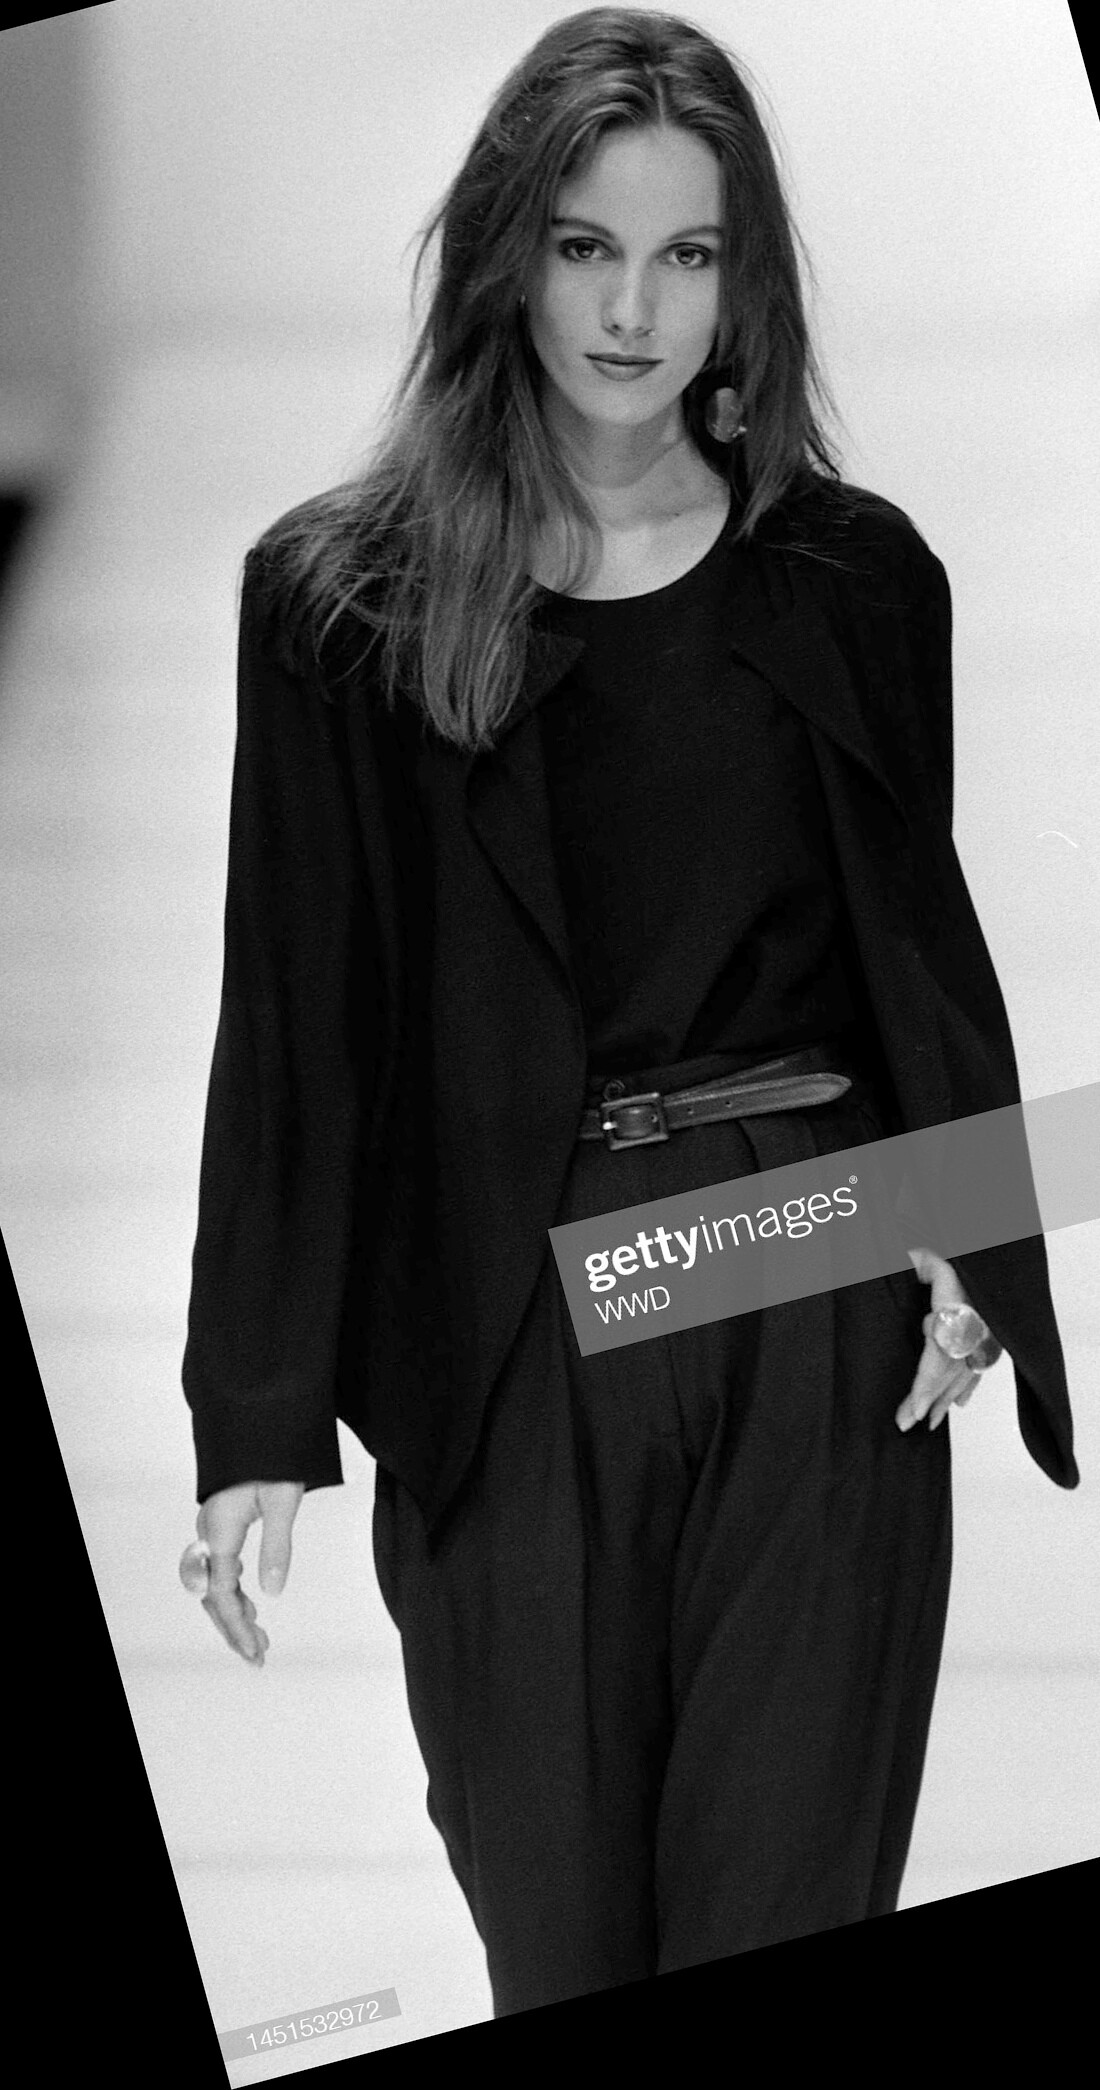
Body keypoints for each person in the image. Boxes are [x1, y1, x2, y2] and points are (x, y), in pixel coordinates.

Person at [179, 8, 1076, 2019]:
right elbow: (296, 1027)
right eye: (586, 245)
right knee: (564, 1943)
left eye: (686, 254)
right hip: (512, 1324)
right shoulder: (342, 605)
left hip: (805, 1266)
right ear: (507, 251)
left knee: (783, 1900)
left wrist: (965, 1245)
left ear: (743, 283)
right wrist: (256, 1415)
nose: (632, 308)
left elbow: (912, 962)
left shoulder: (853, 581)